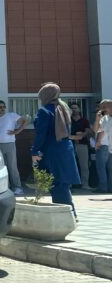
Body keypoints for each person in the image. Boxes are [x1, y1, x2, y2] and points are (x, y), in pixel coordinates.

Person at [31, 83, 80, 217]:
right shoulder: (64, 108)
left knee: (56, 183)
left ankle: (65, 216)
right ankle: (71, 214)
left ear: (45, 95)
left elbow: (41, 134)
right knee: (63, 184)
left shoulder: (44, 111)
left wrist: (34, 151)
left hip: (52, 150)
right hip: (66, 148)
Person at [0, 100, 27, 195]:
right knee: (3, 167)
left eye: (4, 106)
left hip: (10, 144)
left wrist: (16, 132)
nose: (2, 109)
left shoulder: (11, 115)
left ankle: (18, 187)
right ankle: (6, 187)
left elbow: (25, 121)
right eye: (0, 107)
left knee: (12, 166)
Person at [69, 103, 92, 189]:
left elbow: (87, 131)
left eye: (75, 108)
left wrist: (81, 135)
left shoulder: (84, 120)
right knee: (70, 165)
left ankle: (85, 184)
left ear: (79, 109)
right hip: (70, 145)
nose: (74, 110)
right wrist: (74, 137)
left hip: (82, 144)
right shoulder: (68, 120)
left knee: (84, 166)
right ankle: (70, 184)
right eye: (72, 108)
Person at [94, 100, 112, 193]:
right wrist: (97, 119)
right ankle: (106, 187)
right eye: (100, 107)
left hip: (105, 145)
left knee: (102, 168)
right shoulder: (105, 118)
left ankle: (104, 187)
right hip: (107, 146)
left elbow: (102, 131)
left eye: (103, 107)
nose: (101, 109)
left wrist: (98, 142)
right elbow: (96, 130)